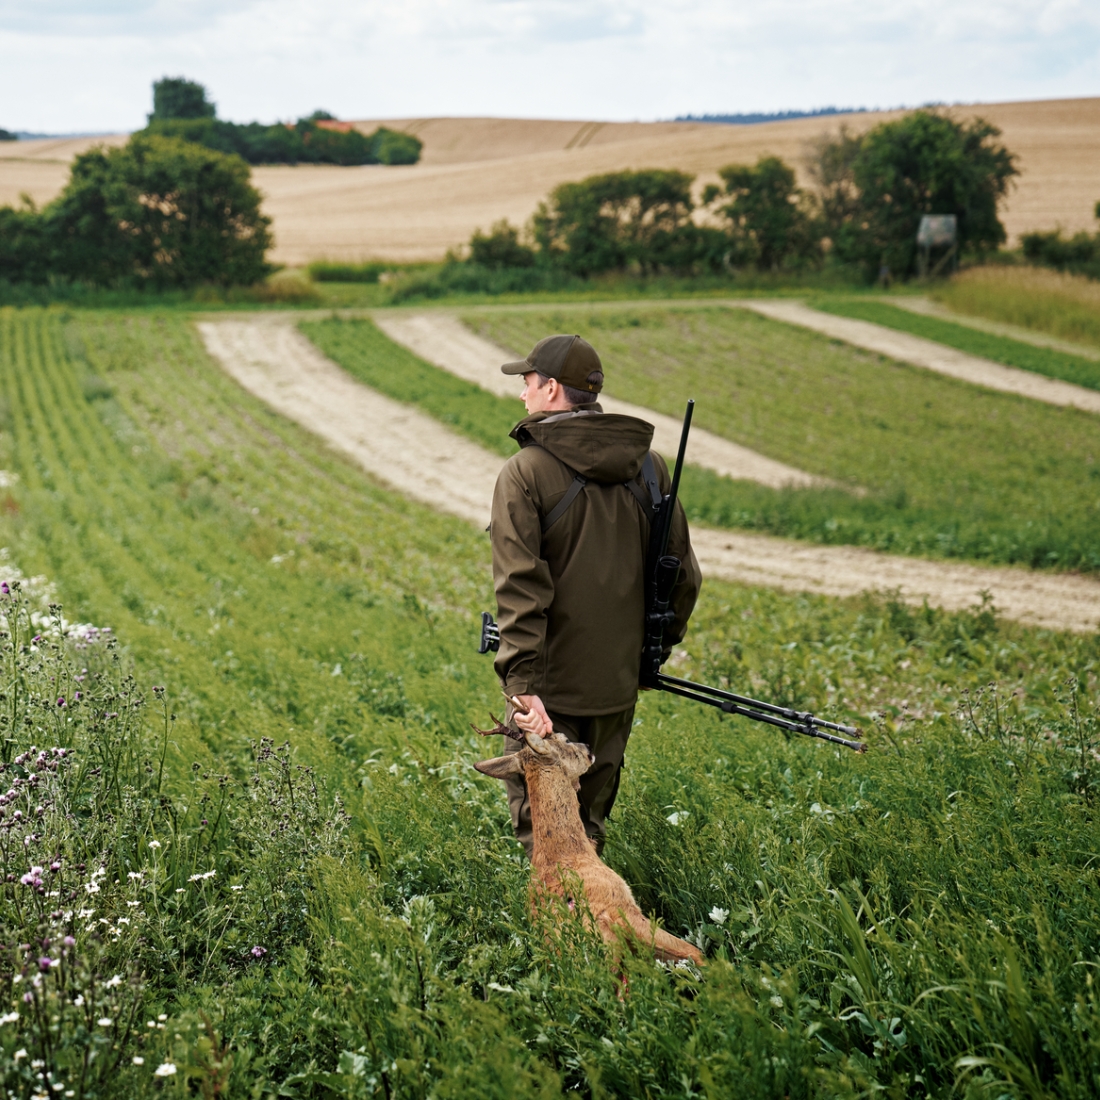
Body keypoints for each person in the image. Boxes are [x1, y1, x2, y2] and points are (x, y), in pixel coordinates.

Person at [489, 333, 700, 857]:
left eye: (529, 382)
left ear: (553, 388)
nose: (522, 393)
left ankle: (566, 935)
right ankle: (596, 929)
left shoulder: (525, 473)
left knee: (548, 837)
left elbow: (521, 588)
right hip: (616, 686)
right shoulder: (650, 469)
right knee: (588, 831)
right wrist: (648, 656)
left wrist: (521, 685)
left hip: (548, 692)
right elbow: (682, 578)